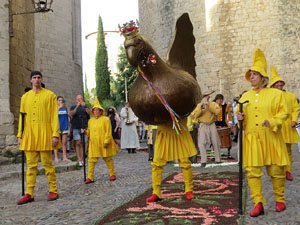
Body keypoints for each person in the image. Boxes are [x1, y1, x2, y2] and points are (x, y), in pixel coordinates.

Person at [237, 49, 289, 217]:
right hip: (252, 138)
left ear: (262, 77)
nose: (251, 77)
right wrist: (239, 118)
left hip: (271, 136)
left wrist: (272, 121)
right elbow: (241, 122)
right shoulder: (245, 96)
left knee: (276, 170)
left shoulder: (276, 94)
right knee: (252, 171)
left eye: (254, 74)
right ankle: (258, 202)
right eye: (250, 74)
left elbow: (284, 113)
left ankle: (280, 199)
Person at [16, 71, 61, 204]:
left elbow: (54, 115)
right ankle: (29, 193)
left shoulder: (50, 95)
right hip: (29, 134)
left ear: (41, 79)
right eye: (34, 78)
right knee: (31, 166)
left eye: (39, 77)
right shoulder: (25, 97)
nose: (36, 80)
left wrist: (55, 134)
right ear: (30, 80)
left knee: (47, 164)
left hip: (45, 133)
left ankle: (53, 190)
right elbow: (21, 117)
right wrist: (20, 135)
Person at [146, 117, 198, 202]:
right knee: (157, 163)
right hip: (163, 131)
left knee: (185, 162)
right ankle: (156, 192)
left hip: (179, 130)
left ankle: (189, 190)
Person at [269, 65, 300, 181]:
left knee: (288, 151)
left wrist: (294, 120)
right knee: (275, 150)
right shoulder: (270, 97)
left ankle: (288, 171)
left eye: (281, 83)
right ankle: (277, 170)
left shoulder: (291, 96)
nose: (279, 85)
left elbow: (295, 109)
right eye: (277, 83)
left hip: (287, 127)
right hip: (275, 127)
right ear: (273, 85)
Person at [82, 97, 119, 184]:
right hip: (93, 144)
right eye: (94, 110)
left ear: (100, 111)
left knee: (108, 159)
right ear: (93, 111)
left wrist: (106, 141)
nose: (96, 112)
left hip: (103, 143)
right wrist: (84, 132)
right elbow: (89, 133)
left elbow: (108, 131)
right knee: (91, 160)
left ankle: (112, 174)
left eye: (97, 110)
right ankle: (90, 177)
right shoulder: (90, 121)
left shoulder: (106, 119)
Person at [191, 90, 221, 167]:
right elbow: (195, 115)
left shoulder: (213, 104)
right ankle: (203, 160)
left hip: (212, 124)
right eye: (204, 96)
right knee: (201, 143)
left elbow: (217, 112)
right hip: (202, 125)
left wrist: (209, 105)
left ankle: (218, 159)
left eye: (207, 96)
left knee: (215, 142)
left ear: (209, 97)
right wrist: (201, 108)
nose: (206, 97)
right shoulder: (199, 105)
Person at [70, 95, 90, 166]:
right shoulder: (73, 107)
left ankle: (82, 159)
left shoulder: (85, 107)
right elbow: (71, 114)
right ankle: (79, 159)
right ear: (76, 100)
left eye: (81, 99)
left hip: (84, 127)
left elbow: (89, 113)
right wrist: (77, 106)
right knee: (78, 142)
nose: (80, 100)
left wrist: (85, 106)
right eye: (78, 99)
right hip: (76, 127)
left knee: (82, 143)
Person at [54, 96, 71, 163]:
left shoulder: (65, 108)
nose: (61, 101)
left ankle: (64, 157)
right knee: (56, 142)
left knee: (64, 142)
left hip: (65, 126)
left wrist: (66, 107)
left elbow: (70, 115)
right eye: (59, 100)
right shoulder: (56, 108)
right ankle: (56, 157)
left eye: (62, 100)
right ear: (57, 101)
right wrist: (60, 107)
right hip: (57, 127)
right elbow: (54, 115)